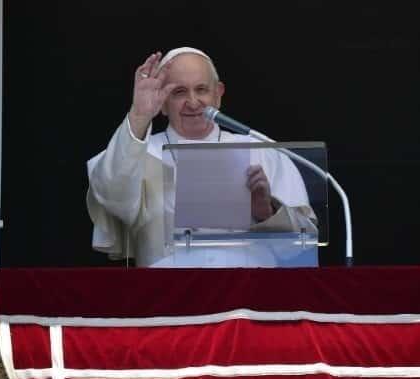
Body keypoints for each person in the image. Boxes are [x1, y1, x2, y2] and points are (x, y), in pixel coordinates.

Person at [87, 47, 315, 266]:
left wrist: (266, 212)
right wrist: (139, 115)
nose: (193, 102)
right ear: (163, 102)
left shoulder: (262, 150)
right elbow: (113, 197)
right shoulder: (138, 153)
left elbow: (302, 246)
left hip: (248, 297)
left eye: (201, 89)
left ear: (218, 95)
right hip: (168, 296)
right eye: (179, 92)